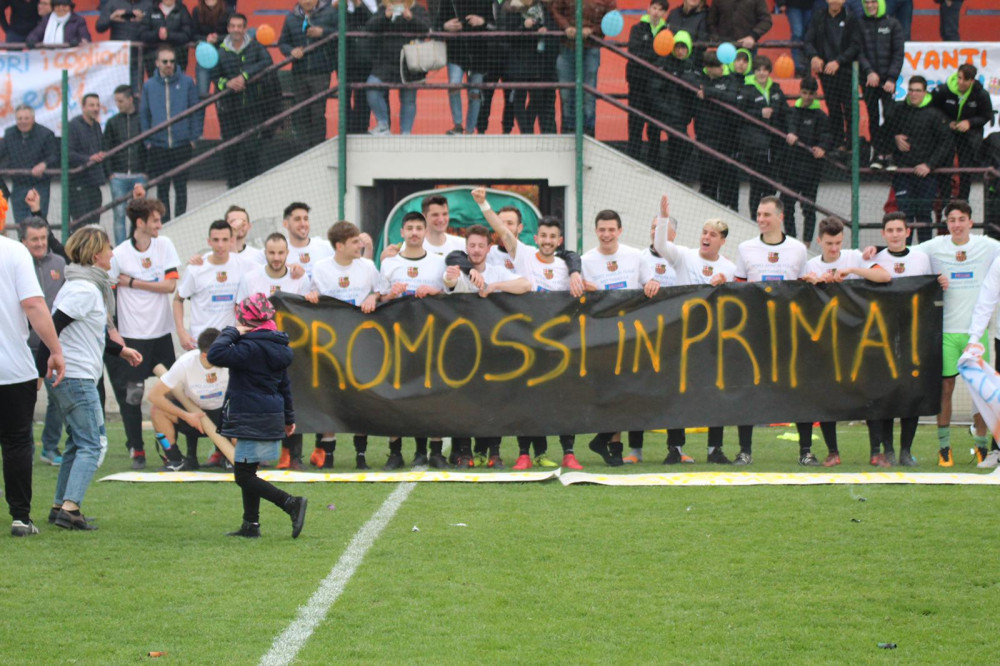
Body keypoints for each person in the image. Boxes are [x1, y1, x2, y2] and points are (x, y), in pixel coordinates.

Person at [37, 227, 143, 531]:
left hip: (75, 375)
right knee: (92, 444)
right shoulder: (83, 289)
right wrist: (40, 370)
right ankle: (71, 510)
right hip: (76, 377)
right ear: (96, 255)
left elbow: (87, 331)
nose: (113, 254)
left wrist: (120, 350)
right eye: (109, 249)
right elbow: (52, 328)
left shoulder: (83, 285)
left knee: (76, 442)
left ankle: (61, 505)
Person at [469, 188, 584, 469]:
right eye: (543, 236)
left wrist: (580, 278)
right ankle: (523, 454)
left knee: (563, 398)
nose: (547, 241)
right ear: (536, 238)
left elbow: (587, 292)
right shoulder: (525, 255)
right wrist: (483, 203)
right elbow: (501, 230)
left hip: (558, 345)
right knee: (526, 397)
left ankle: (569, 452)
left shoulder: (566, 267)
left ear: (559, 241)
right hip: (526, 342)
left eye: (552, 237)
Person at [207, 294, 307, 539]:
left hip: (250, 413)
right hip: (269, 413)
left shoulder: (248, 347)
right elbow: (284, 385)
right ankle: (250, 524)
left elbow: (215, 354)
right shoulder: (277, 346)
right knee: (248, 469)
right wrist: (288, 418)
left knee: (243, 475)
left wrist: (232, 331)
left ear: (245, 320)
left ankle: (290, 503)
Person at [796, 217, 888, 466]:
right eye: (829, 244)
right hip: (827, 344)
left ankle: (876, 452)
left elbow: (884, 277)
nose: (834, 248)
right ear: (819, 241)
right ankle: (833, 452)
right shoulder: (811, 265)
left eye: (838, 243)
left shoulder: (854, 257)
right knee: (828, 395)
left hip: (859, 339)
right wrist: (812, 283)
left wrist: (852, 271)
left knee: (869, 394)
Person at [653, 199, 737, 464]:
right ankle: (675, 448)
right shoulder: (684, 256)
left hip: (712, 340)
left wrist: (725, 282)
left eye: (712, 234)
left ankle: (715, 449)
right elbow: (660, 245)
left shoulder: (729, 268)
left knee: (714, 391)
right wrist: (664, 217)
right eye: (704, 232)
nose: (706, 237)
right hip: (681, 337)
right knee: (677, 391)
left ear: (722, 241)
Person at [916, 199, 1000, 466]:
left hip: (976, 333)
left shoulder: (987, 246)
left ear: (970, 222)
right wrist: (871, 252)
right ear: (946, 223)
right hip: (946, 332)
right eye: (951, 220)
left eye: (961, 219)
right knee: (945, 387)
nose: (957, 224)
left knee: (981, 393)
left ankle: (982, 446)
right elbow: (904, 254)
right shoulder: (935, 246)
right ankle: (944, 448)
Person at [443, 224, 531, 469]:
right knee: (463, 401)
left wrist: (494, 287)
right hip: (463, 348)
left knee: (494, 400)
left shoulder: (497, 271)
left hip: (493, 349)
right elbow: (449, 281)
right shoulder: (459, 269)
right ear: (466, 247)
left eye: (481, 245)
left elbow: (525, 285)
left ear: (489, 248)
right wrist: (451, 276)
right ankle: (464, 453)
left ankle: (494, 453)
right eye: (472, 245)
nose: (476, 250)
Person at [1, 214, 64, 537]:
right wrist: (55, 349)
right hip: (12, 368)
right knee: (16, 442)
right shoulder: (13, 251)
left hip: (13, 367)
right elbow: (34, 305)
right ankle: (20, 517)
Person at [581, 209, 660, 466]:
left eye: (611, 230)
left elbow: (650, 283)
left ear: (620, 231)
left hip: (633, 335)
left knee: (632, 392)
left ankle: (603, 439)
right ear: (596, 231)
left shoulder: (635, 256)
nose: (606, 234)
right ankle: (613, 447)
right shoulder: (586, 261)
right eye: (602, 230)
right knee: (610, 392)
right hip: (602, 337)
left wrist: (652, 284)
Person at [732, 196, 808, 464]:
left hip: (789, 332)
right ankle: (745, 451)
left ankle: (806, 451)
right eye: (759, 214)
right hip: (754, 332)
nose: (761, 219)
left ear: (780, 217)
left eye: (766, 214)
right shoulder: (745, 248)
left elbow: (805, 288)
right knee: (749, 388)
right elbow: (738, 287)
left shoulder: (798, 249)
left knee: (798, 388)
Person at [107, 196, 180, 470]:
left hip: (161, 335)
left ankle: (171, 450)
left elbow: (170, 286)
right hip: (133, 336)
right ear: (140, 223)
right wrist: (113, 331)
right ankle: (136, 448)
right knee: (133, 396)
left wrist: (133, 282)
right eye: (155, 220)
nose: (160, 225)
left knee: (172, 393)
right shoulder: (119, 254)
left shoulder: (165, 245)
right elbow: (108, 293)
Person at [305, 221, 384, 471]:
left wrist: (373, 296)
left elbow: (382, 291)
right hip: (329, 344)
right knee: (330, 398)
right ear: (340, 246)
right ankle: (328, 455)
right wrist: (311, 296)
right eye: (354, 242)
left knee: (360, 398)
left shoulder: (367, 267)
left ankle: (361, 456)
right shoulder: (320, 268)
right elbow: (308, 296)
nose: (360, 245)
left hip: (360, 343)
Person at [868, 212, 938, 467]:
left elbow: (930, 289)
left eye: (899, 230)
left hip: (914, 336)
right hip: (883, 338)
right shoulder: (875, 259)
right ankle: (887, 449)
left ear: (908, 232)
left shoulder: (921, 258)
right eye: (890, 230)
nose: (895, 234)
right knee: (887, 393)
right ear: (883, 234)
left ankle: (906, 450)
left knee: (912, 393)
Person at [237, 232, 310, 471]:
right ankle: (262, 454)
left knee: (293, 399)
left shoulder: (300, 278)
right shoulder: (251, 278)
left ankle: (293, 455)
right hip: (259, 350)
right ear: (265, 253)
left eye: (280, 253)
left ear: (287, 253)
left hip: (291, 349)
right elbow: (240, 312)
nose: (276, 257)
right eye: (272, 252)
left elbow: (308, 312)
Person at [378, 211, 446, 469]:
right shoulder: (389, 264)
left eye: (419, 228)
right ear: (402, 232)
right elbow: (379, 296)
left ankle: (434, 451)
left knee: (432, 395)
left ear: (425, 232)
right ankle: (395, 452)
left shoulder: (438, 262)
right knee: (395, 395)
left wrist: (436, 291)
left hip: (431, 338)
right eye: (410, 228)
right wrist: (389, 295)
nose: (415, 232)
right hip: (397, 340)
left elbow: (450, 297)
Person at [147, 327, 227, 471]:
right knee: (157, 411)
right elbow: (153, 396)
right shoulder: (185, 363)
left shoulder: (233, 358)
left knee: (245, 410)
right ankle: (174, 459)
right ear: (204, 355)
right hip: (193, 417)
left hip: (224, 417)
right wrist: (186, 415)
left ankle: (235, 457)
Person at [21, 215, 66, 467]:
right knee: (24, 400)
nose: (39, 243)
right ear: (23, 241)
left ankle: (49, 447)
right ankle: (24, 447)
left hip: (50, 345)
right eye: (34, 239)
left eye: (43, 238)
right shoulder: (16, 264)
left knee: (58, 397)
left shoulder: (60, 263)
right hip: (23, 345)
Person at [886, 75, 952, 243]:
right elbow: (883, 132)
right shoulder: (899, 110)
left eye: (917, 90)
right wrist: (894, 138)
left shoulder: (935, 115)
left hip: (926, 175)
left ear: (924, 92)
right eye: (911, 90)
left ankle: (924, 252)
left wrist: (929, 165)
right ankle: (904, 252)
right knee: (904, 215)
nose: (913, 94)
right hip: (903, 172)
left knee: (923, 214)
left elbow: (946, 143)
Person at [141, 45, 200, 222]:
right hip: (158, 145)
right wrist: (147, 140)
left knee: (181, 187)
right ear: (157, 63)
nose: (169, 64)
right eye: (165, 61)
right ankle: (165, 224)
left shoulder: (187, 82)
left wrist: (193, 137)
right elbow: (144, 114)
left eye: (172, 61)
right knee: (162, 189)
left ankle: (181, 222)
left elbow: (195, 110)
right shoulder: (149, 86)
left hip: (182, 144)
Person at [214, 14, 273, 186]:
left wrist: (245, 76)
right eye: (233, 26)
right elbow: (214, 76)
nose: (236, 30)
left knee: (252, 148)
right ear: (228, 29)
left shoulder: (256, 46)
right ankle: (232, 186)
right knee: (230, 149)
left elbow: (267, 61)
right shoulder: (220, 51)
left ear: (245, 28)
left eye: (239, 26)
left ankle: (250, 185)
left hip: (252, 107)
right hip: (228, 109)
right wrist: (227, 83)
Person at [174, 220, 249, 353]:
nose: (220, 245)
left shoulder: (241, 264)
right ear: (209, 242)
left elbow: (268, 268)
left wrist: (289, 268)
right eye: (216, 240)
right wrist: (181, 332)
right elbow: (177, 299)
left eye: (224, 239)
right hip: (200, 343)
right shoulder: (196, 268)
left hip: (230, 343)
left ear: (231, 240)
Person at [550, 0, 616, 136]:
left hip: (591, 46)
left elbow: (612, 17)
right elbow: (555, 9)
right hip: (567, 46)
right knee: (566, 93)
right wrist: (566, 27)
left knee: (589, 94)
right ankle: (568, 132)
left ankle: (588, 134)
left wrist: (592, 30)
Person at [803, 0, 861, 153]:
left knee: (850, 108)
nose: (835, 1)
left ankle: (852, 145)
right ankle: (837, 143)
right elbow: (808, 41)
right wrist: (813, 56)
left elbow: (855, 45)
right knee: (833, 108)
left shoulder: (851, 18)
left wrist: (838, 61)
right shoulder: (818, 17)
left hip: (847, 72)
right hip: (826, 73)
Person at [364, 0, 430, 135]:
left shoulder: (417, 9)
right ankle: (383, 125)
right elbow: (369, 27)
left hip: (410, 62)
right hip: (385, 61)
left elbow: (426, 29)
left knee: (408, 99)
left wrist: (411, 18)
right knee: (372, 87)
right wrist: (385, 17)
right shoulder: (383, 8)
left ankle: (406, 133)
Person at [932, 64, 994, 206]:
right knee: (945, 165)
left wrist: (970, 123)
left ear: (972, 80)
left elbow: (986, 115)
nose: (961, 82)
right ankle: (945, 200)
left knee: (966, 168)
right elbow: (934, 110)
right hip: (946, 133)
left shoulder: (981, 94)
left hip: (968, 136)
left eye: (965, 80)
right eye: (959, 78)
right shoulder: (944, 90)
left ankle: (963, 201)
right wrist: (947, 122)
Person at [278, 0, 336, 150]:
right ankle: (303, 149)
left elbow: (342, 33)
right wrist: (291, 51)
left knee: (317, 112)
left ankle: (318, 148)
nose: (308, 1)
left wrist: (323, 33)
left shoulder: (330, 13)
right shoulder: (290, 18)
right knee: (301, 112)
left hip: (321, 71)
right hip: (299, 72)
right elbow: (282, 42)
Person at [780, 76, 831, 245]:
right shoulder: (792, 112)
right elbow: (787, 127)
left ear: (816, 94)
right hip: (790, 168)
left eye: (810, 93)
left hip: (811, 170)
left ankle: (807, 243)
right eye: (804, 93)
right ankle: (792, 241)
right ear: (800, 92)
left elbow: (826, 135)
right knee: (787, 206)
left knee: (809, 209)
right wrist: (790, 134)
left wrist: (822, 147)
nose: (807, 96)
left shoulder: (821, 116)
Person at [738, 55, 788, 219]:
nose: (761, 73)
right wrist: (759, 113)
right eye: (758, 70)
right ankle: (755, 219)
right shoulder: (746, 88)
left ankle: (768, 217)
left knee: (771, 185)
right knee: (757, 184)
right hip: (754, 146)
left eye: (765, 70)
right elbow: (739, 113)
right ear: (754, 71)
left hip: (774, 145)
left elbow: (785, 112)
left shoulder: (776, 89)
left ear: (769, 72)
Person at [859, 0, 903, 171]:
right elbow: (858, 51)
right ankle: (877, 153)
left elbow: (898, 53)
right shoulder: (859, 24)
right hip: (868, 80)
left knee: (890, 115)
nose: (870, 5)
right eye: (867, 2)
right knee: (873, 116)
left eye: (873, 2)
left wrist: (891, 78)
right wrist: (869, 71)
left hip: (887, 82)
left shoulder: (893, 24)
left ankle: (890, 153)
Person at [695, 52, 740, 210]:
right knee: (707, 174)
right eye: (716, 67)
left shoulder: (730, 79)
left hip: (727, 136)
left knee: (727, 175)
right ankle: (707, 206)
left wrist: (709, 93)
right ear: (708, 68)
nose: (720, 69)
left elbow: (732, 98)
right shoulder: (700, 77)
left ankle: (729, 208)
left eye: (720, 66)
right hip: (705, 134)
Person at [103, 84, 148, 246]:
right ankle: (121, 249)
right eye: (116, 101)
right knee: (119, 215)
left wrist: (146, 171)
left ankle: (136, 245)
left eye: (121, 101)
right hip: (118, 175)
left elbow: (148, 145)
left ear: (130, 100)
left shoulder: (143, 120)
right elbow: (107, 148)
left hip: (139, 174)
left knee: (139, 214)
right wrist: (110, 173)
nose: (118, 105)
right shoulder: (112, 122)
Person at [439, 0, 491, 135]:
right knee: (454, 85)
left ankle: (469, 130)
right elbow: (437, 24)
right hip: (456, 52)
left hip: (479, 53)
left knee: (475, 93)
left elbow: (494, 24)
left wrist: (482, 21)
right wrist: (445, 26)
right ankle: (458, 125)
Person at [626, 0, 668, 165]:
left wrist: (651, 54)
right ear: (649, 9)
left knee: (655, 126)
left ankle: (654, 162)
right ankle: (632, 158)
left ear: (664, 13)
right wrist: (656, 55)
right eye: (654, 8)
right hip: (637, 81)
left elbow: (666, 56)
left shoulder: (667, 31)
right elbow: (635, 52)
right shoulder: (637, 28)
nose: (656, 12)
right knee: (635, 123)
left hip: (658, 86)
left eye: (660, 10)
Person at [0, 104, 57, 224]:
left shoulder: (46, 134)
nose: (23, 122)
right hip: (18, 186)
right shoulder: (9, 134)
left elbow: (55, 156)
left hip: (39, 186)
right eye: (19, 119)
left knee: (37, 223)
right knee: (20, 224)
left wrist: (44, 164)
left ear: (33, 119)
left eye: (26, 118)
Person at [656, 29, 697, 181]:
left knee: (676, 146)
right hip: (669, 114)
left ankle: (670, 175)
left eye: (683, 48)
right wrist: (665, 109)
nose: (680, 51)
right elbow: (655, 89)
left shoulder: (690, 65)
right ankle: (670, 174)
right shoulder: (665, 64)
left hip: (683, 115)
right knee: (684, 145)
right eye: (677, 47)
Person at [66, 93, 105, 228]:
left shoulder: (97, 126)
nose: (95, 108)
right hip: (78, 185)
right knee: (81, 226)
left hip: (94, 184)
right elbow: (67, 153)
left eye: (97, 105)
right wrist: (88, 159)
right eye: (91, 105)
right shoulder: (73, 126)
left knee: (94, 225)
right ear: (83, 107)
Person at [95, 0, 150, 87]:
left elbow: (156, 26)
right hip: (118, 57)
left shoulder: (148, 4)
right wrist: (111, 18)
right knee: (118, 88)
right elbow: (99, 27)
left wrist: (144, 19)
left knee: (137, 89)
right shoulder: (113, 3)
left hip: (138, 56)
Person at [343, 0, 375, 134]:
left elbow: (373, 22)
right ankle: (347, 129)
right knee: (344, 95)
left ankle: (361, 129)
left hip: (365, 57)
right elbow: (334, 20)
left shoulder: (374, 3)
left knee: (362, 95)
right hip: (345, 57)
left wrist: (358, 4)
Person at [138, 0, 193, 77]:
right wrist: (157, 34)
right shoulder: (151, 10)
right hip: (153, 60)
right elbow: (143, 34)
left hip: (178, 59)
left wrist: (169, 35)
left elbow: (187, 35)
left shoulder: (182, 11)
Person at [283, 201, 334, 281]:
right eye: (297, 219)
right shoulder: (277, 252)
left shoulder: (327, 247)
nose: (303, 224)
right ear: (285, 224)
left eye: (306, 219)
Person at [191, 0, 231, 98]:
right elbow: (192, 34)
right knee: (201, 95)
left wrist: (218, 38)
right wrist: (206, 39)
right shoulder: (197, 11)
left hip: (224, 59)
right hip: (204, 59)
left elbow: (232, 34)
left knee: (225, 94)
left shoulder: (228, 11)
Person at [775, 0, 824, 76]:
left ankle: (806, 66)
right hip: (793, 5)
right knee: (797, 33)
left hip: (811, 5)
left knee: (808, 34)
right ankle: (798, 67)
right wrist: (781, 2)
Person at [707, 0, 771, 51]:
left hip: (747, 47)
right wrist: (716, 39)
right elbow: (711, 21)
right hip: (723, 47)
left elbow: (766, 20)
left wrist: (752, 36)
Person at [666, 0, 707, 66]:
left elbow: (701, 44)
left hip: (690, 64)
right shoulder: (674, 13)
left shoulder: (704, 17)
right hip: (669, 61)